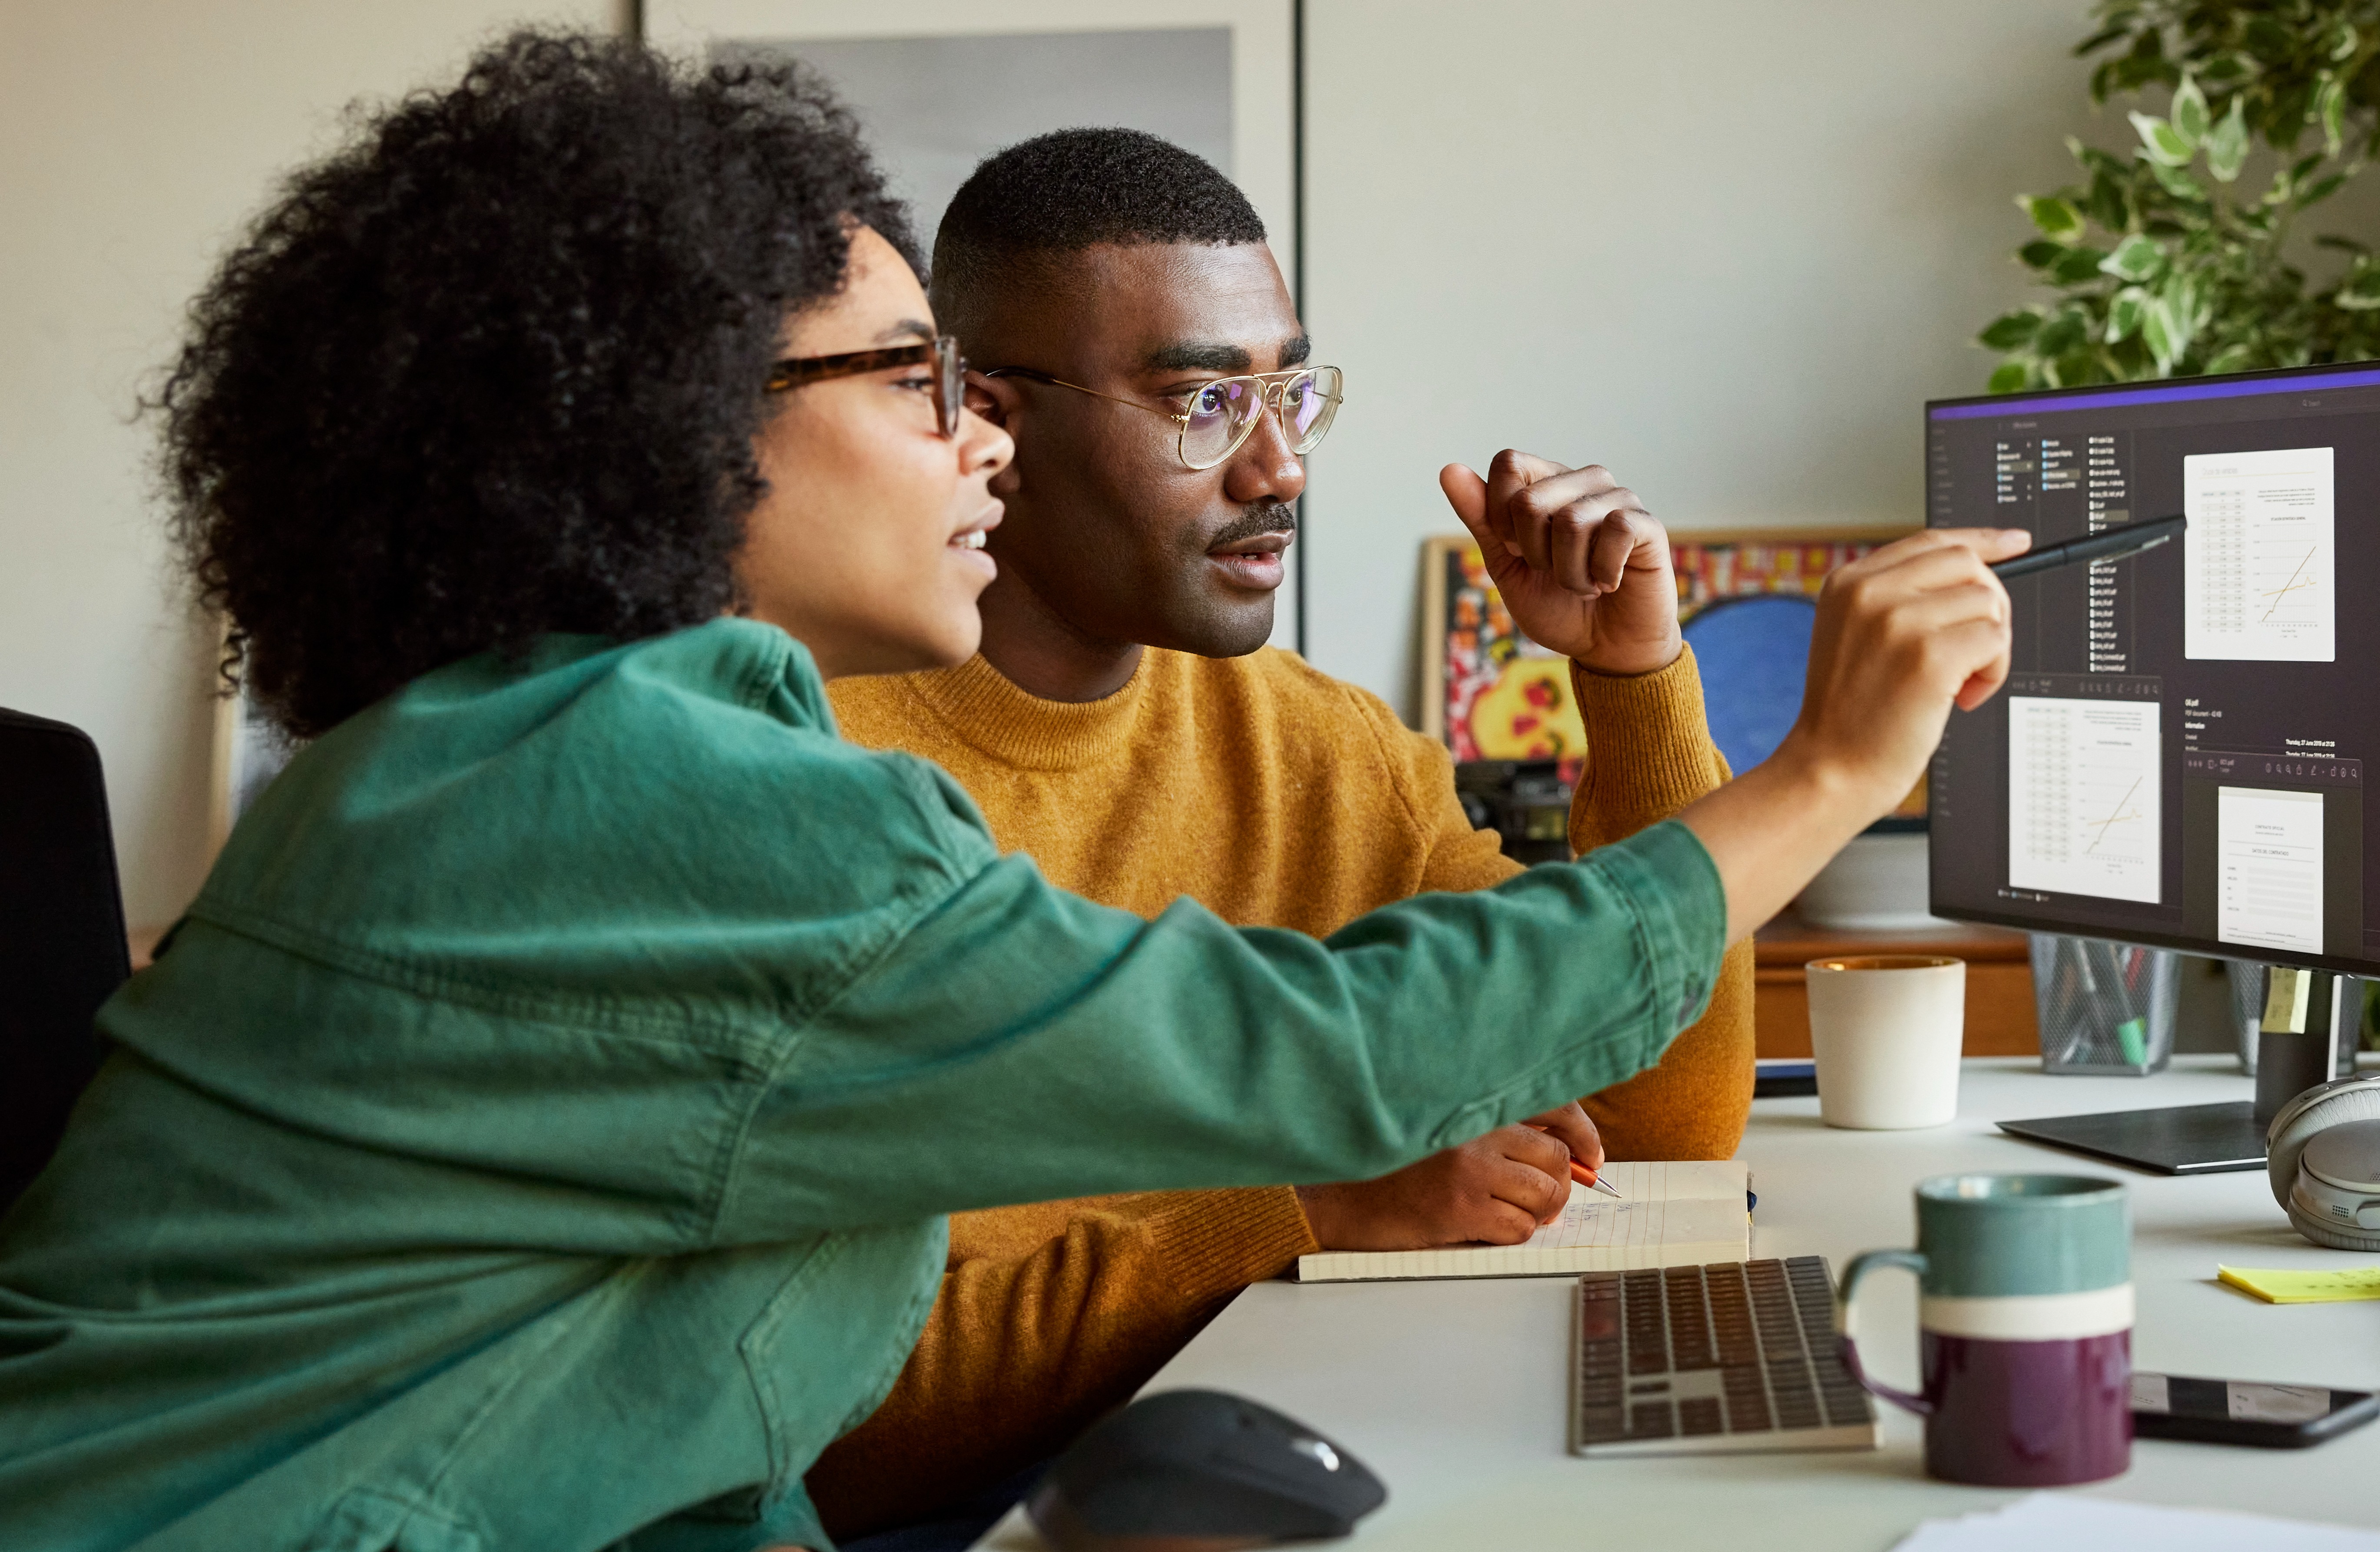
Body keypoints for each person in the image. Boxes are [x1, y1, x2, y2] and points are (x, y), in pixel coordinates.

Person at [0, 34, 2023, 1550]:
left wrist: (1644, 694)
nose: (972, 448)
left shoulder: (539, 753)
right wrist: (1836, 766)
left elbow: (684, 1432)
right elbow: (1333, 1052)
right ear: (671, 427)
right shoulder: (628, 792)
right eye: (915, 383)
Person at [803, 129, 1764, 1531]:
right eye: (1202, 402)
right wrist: (1309, 1210)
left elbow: (1660, 1121)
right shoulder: (805, 773)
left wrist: (1632, 686)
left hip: (1257, 1438)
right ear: (991, 425)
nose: (1281, 472)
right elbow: (825, 1416)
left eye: (1291, 396)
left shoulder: (1315, 744)